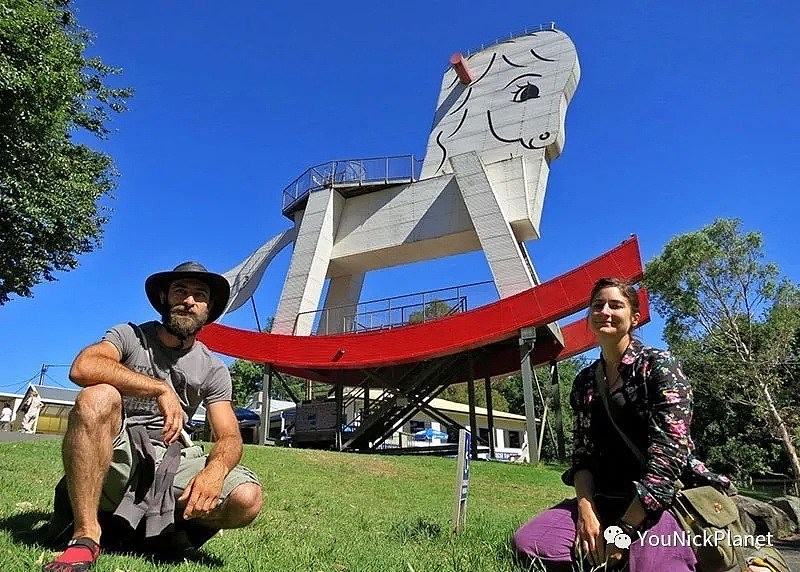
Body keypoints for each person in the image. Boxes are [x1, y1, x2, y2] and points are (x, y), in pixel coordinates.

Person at [512, 278, 772, 572]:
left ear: (634, 318)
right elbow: (581, 456)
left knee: (649, 566)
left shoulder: (659, 366)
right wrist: (585, 509)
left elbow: (669, 458)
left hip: (660, 501)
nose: (605, 311)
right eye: (597, 305)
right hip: (606, 498)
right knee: (531, 543)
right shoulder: (585, 381)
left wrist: (622, 531)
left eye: (616, 305)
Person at [44, 262, 263, 572]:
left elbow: (229, 436)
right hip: (117, 450)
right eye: (180, 291)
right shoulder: (130, 336)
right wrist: (158, 388)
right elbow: (83, 367)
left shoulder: (214, 369)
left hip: (171, 457)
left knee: (247, 497)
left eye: (199, 295)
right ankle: (85, 536)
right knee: (97, 396)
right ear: (164, 297)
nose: (189, 301)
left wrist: (215, 470)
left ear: (208, 308)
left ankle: (166, 538)